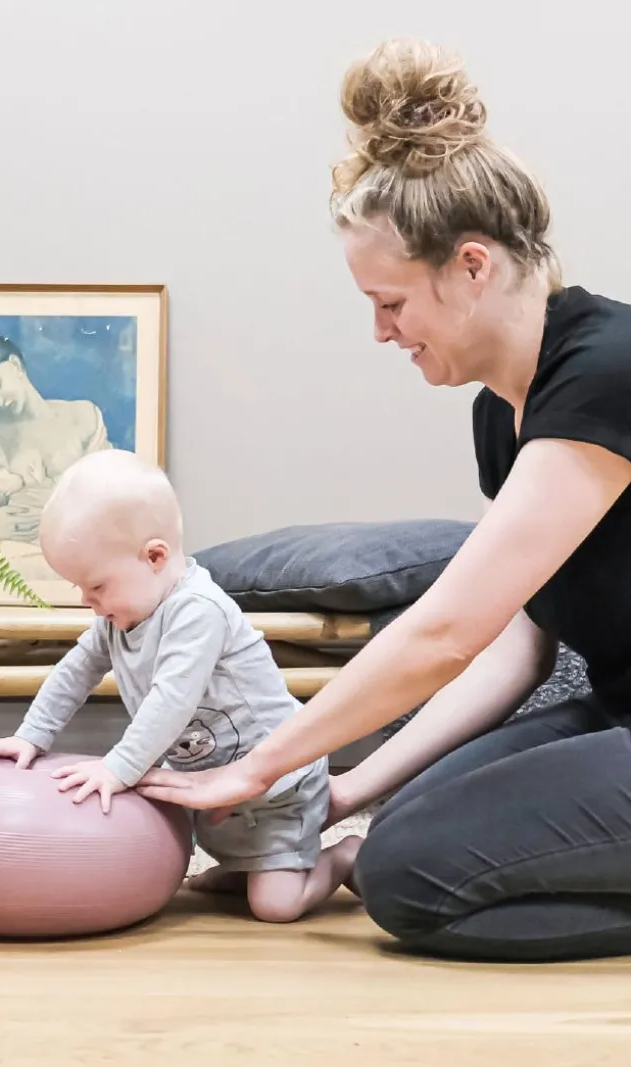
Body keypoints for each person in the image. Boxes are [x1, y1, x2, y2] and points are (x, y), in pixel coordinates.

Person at [137, 38, 631, 963]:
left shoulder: (606, 372)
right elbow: (513, 645)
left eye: (391, 302)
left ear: (471, 266)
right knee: (397, 823)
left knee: (408, 876)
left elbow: (441, 632)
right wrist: (344, 787)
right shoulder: (502, 409)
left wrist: (261, 764)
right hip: (619, 711)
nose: (380, 331)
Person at [0, 448, 362, 923]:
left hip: (278, 784)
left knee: (276, 907)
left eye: (96, 586)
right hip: (213, 782)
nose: (89, 603)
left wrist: (119, 768)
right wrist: (31, 736)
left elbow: (172, 699)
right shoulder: (120, 618)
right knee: (220, 867)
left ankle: (344, 855)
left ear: (154, 556)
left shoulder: (198, 611)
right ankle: (250, 866)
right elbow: (75, 670)